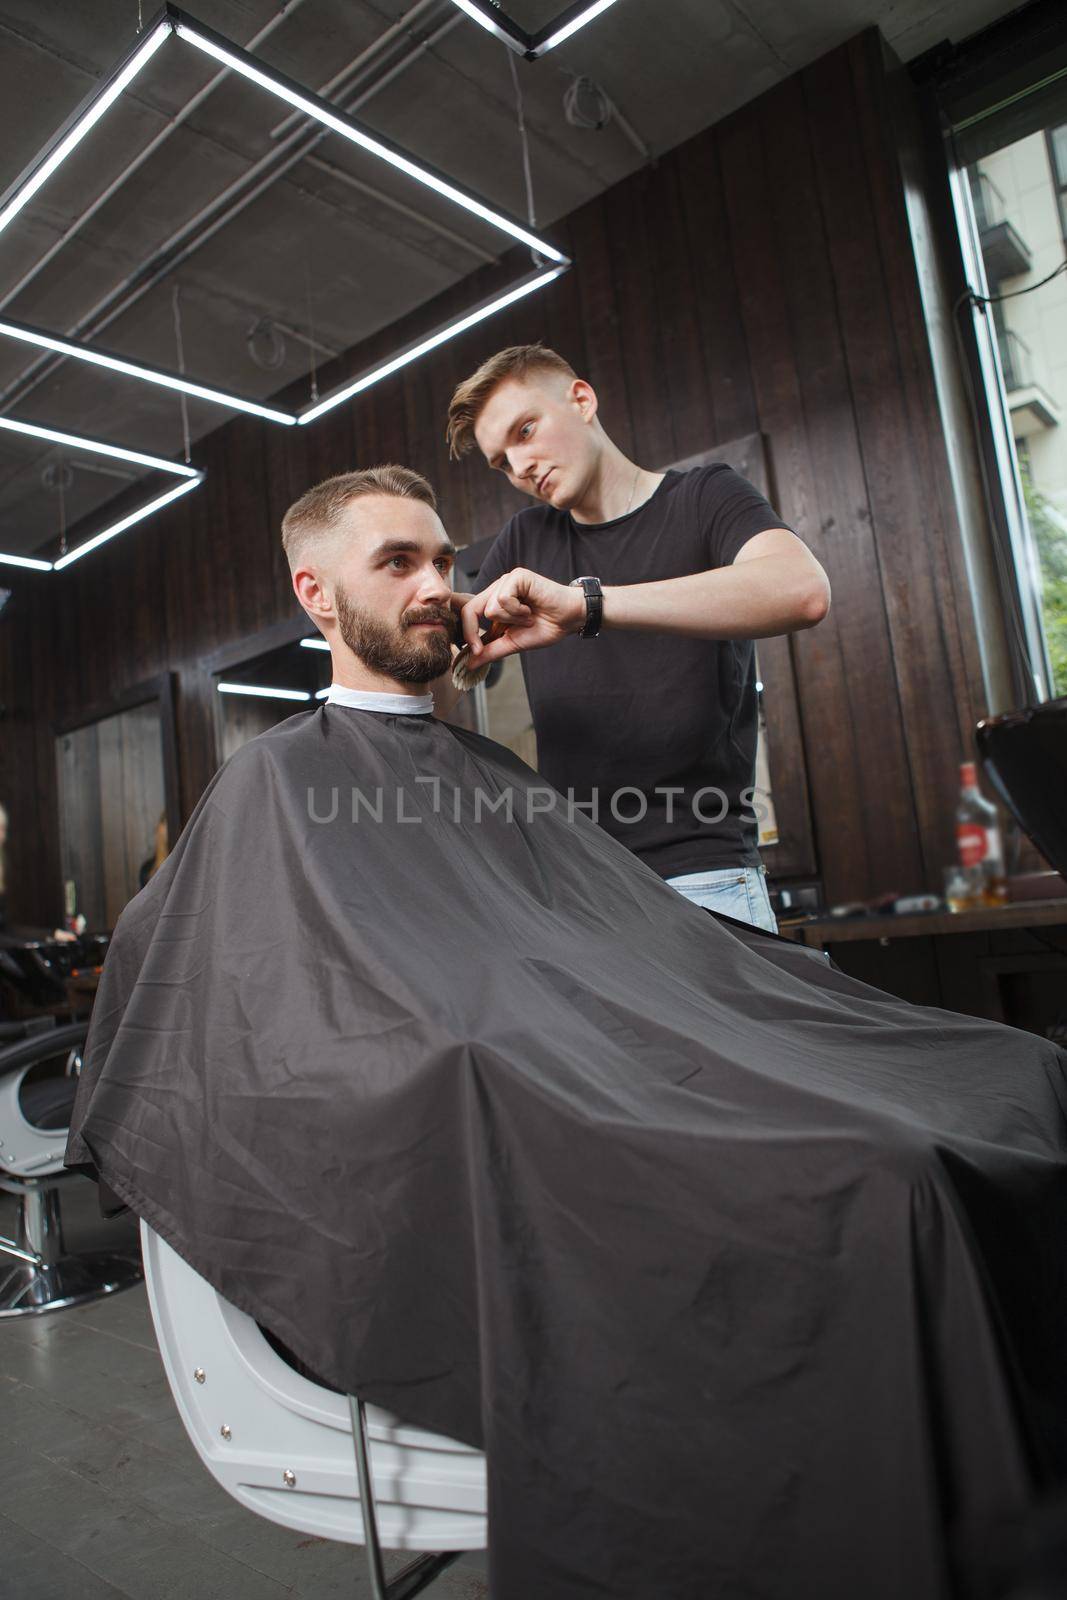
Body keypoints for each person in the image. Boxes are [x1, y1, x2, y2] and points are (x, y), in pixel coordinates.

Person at [66, 465, 1067, 1600]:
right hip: (538, 1110)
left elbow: (623, 960)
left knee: (1016, 1069)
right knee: (886, 1179)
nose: (437, 583)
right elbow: (263, 1020)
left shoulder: (494, 776)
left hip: (618, 1069)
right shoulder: (273, 789)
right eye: (396, 563)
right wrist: (481, 1051)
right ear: (315, 594)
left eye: (445, 559)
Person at [437, 344, 831, 934]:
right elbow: (458, 660)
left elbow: (802, 591)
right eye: (500, 462)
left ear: (582, 399)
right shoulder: (526, 538)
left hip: (703, 877)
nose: (519, 466)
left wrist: (588, 606)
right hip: (581, 886)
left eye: (526, 430)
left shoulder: (705, 498)